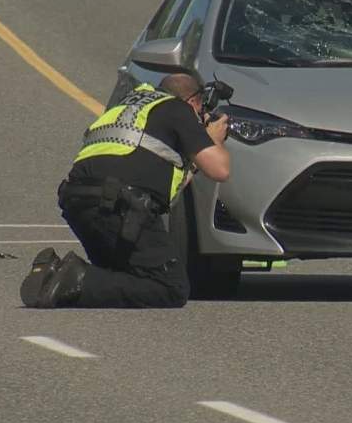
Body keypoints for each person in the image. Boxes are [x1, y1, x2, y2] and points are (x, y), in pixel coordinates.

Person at [20, 73, 230, 308]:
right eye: (200, 110)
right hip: (120, 206)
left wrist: (190, 162)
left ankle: (54, 275)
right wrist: (213, 140)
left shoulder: (127, 108)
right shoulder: (178, 108)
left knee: (124, 275)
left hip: (78, 202)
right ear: (192, 102)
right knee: (172, 288)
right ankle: (76, 279)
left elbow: (166, 186)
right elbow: (220, 170)